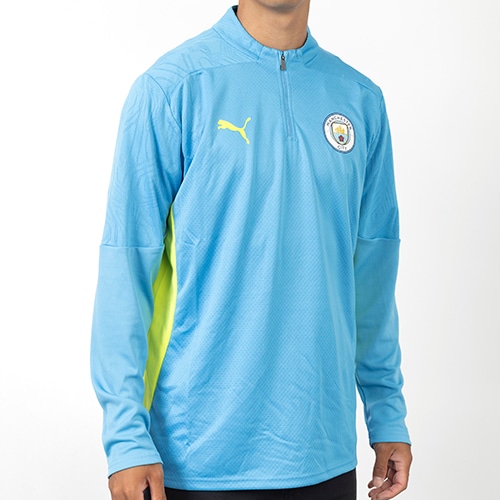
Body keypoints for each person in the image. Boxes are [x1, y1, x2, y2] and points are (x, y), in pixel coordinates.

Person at [91, 1, 412, 499]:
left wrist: (386, 412)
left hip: (324, 454)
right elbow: (126, 270)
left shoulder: (360, 100)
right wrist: (126, 440)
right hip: (194, 460)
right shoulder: (170, 90)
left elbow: (372, 280)